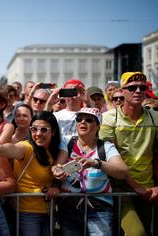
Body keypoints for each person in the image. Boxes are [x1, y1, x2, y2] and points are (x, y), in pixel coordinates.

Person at [52, 108, 129, 236]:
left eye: (88, 120)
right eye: (79, 119)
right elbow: (57, 166)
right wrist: (57, 171)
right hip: (69, 208)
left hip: (99, 210)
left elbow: (123, 172)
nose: (83, 122)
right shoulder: (67, 141)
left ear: (98, 125)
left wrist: (96, 163)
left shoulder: (105, 147)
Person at [0, 111, 62, 236]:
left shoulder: (55, 152)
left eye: (44, 130)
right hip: (27, 213)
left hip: (49, 212)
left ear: (53, 132)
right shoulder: (26, 147)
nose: (38, 134)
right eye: (34, 129)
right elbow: (13, 149)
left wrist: (56, 187)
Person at [99, 72, 158, 235]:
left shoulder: (155, 117)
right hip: (120, 187)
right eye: (132, 87)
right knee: (136, 233)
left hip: (149, 187)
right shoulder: (109, 118)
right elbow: (112, 158)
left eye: (142, 87)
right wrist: (136, 187)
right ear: (122, 91)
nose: (138, 91)